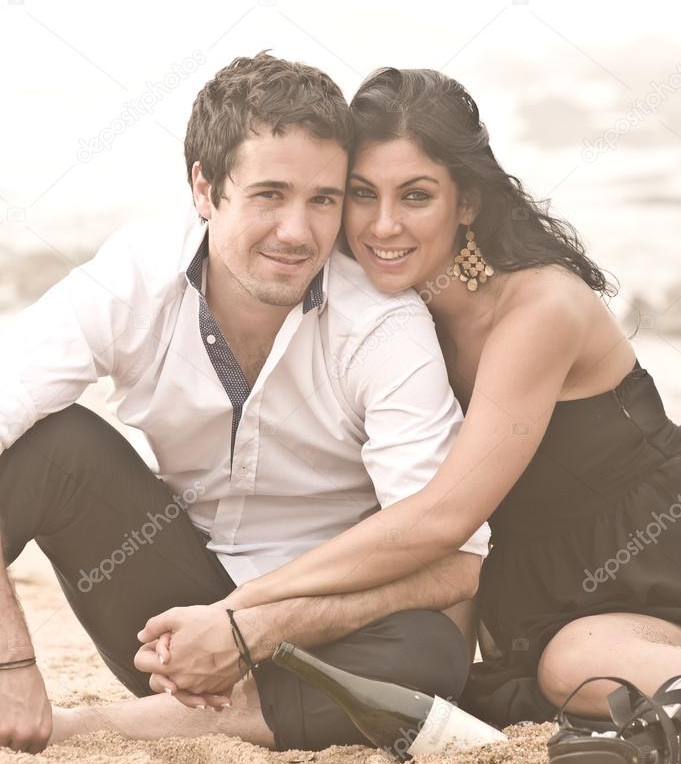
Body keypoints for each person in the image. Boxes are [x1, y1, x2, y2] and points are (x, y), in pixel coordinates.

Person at [158, 66, 681, 730]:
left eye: (414, 196)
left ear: (464, 202)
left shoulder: (538, 306)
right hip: (528, 588)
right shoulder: (388, 316)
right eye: (358, 194)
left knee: (572, 665)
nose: (382, 225)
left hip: (649, 561)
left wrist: (242, 609)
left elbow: (442, 517)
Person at [0, 53, 489, 755]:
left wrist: (251, 624)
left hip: (313, 633)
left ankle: (110, 726)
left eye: (323, 199)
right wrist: (11, 660)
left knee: (430, 653)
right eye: (268, 193)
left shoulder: (382, 323)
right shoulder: (136, 276)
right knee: (50, 448)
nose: (298, 232)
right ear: (204, 187)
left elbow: (455, 559)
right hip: (164, 626)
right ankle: (208, 712)